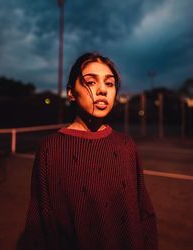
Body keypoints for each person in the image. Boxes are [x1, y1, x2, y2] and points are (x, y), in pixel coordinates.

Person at [21, 52, 158, 249]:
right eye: (91, 82)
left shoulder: (126, 146)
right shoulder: (50, 148)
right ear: (71, 92)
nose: (102, 90)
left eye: (109, 84)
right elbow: (39, 224)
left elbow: (144, 214)